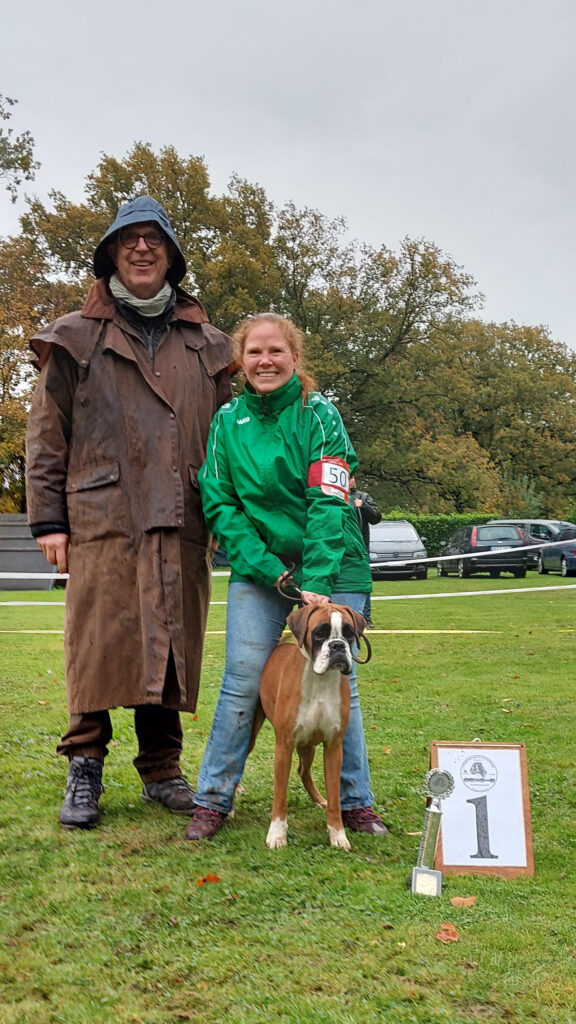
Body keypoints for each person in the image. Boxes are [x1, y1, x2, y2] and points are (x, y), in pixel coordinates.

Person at [25, 196, 234, 829]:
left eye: (154, 240)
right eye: (129, 240)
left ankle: (163, 771)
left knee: (168, 644)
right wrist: (48, 520)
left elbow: (233, 439)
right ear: (112, 253)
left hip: (181, 514)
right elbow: (46, 434)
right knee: (95, 646)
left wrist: (234, 516)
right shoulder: (74, 336)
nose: (142, 248)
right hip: (101, 518)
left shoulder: (211, 345)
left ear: (171, 255)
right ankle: (83, 769)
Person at [185, 312, 389, 842]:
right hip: (263, 570)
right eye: (255, 352)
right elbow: (220, 500)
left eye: (276, 351)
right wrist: (270, 570)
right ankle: (212, 800)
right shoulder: (228, 423)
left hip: (334, 562)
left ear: (294, 358)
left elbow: (328, 500)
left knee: (344, 680)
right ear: (241, 361)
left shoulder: (321, 415)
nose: (266, 361)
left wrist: (317, 579)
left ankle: (355, 803)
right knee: (240, 682)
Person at [348, 476, 382, 627]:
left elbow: (376, 517)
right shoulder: (331, 495)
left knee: (363, 582)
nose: (350, 481)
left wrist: (364, 506)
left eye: (352, 477)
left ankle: (366, 617)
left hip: (360, 548)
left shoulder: (363, 496)